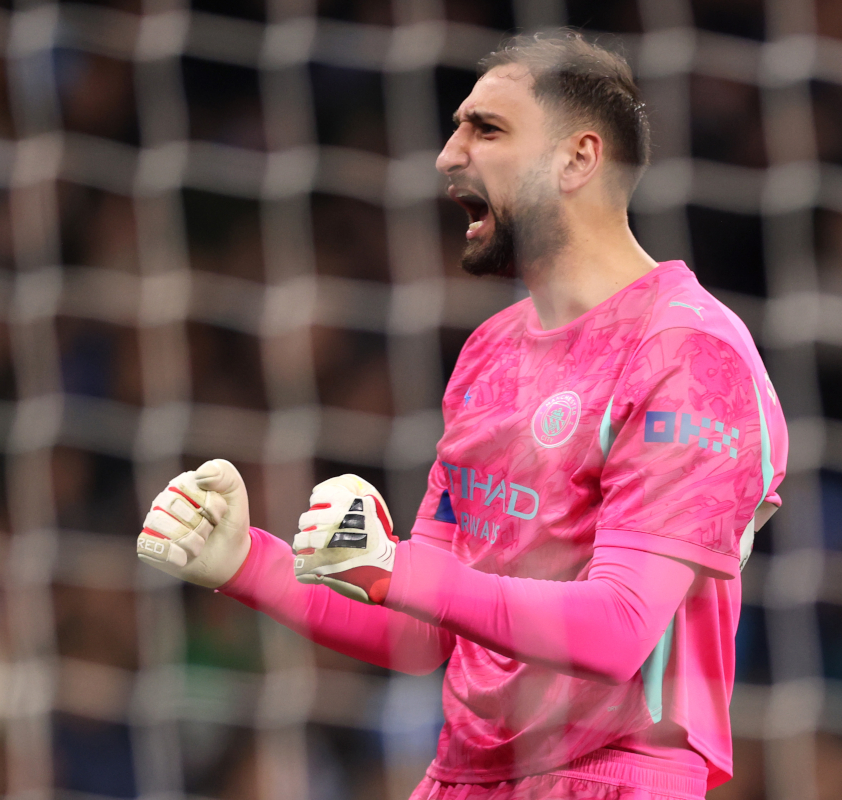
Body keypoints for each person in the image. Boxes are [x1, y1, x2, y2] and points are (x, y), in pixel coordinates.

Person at [136, 31, 788, 800]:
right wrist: (250, 562)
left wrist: (401, 569)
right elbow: (421, 629)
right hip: (463, 778)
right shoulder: (491, 352)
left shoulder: (690, 354)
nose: (448, 155)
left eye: (486, 129)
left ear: (578, 159)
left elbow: (621, 628)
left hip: (609, 778)